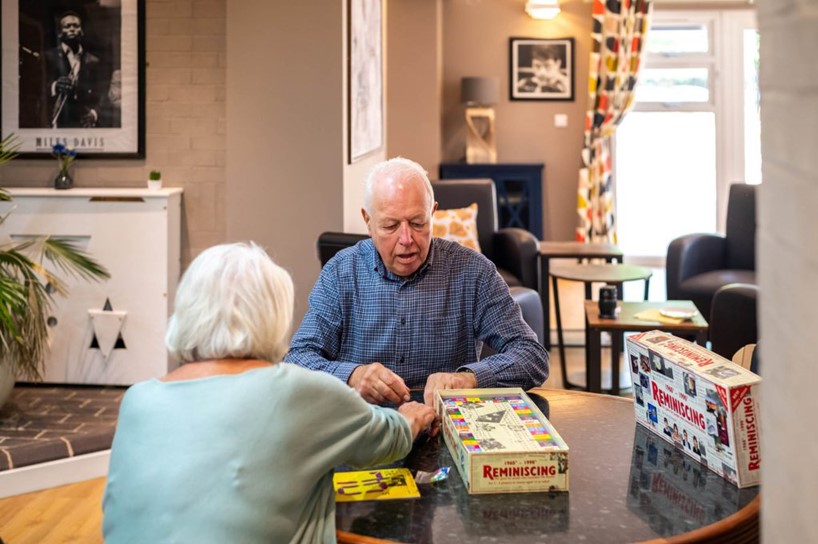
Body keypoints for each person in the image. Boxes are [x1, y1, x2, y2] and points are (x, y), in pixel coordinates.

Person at [102, 242, 437, 543]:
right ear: (272, 316)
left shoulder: (137, 400)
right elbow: (388, 438)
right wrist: (411, 416)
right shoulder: (301, 392)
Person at [285, 157, 548, 406]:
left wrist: (469, 378)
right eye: (390, 226)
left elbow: (532, 356)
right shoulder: (341, 272)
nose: (407, 239)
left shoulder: (473, 271)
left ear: (433, 213)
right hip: (364, 428)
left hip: (443, 426)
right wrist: (352, 376)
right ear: (368, 221)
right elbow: (297, 360)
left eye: (418, 222)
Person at [45, 11, 106, 128]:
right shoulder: (49, 57)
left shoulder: (93, 61)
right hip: (58, 121)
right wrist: (55, 86)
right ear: (59, 33)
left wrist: (94, 113)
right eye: (67, 26)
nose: (72, 29)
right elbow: (36, 89)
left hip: (84, 123)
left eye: (76, 26)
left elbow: (102, 92)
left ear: (81, 31)